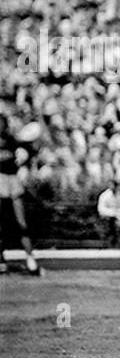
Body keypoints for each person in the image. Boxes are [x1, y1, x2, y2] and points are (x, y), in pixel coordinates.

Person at [0, 116, 41, 275]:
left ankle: (30, 258)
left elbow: (27, 155)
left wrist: (23, 157)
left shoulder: (13, 141)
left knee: (21, 223)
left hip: (12, 181)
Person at [97, 180, 120, 248]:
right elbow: (101, 209)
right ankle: (110, 241)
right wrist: (112, 213)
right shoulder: (104, 195)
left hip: (118, 215)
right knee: (110, 221)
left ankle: (118, 238)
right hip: (107, 215)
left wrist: (118, 213)